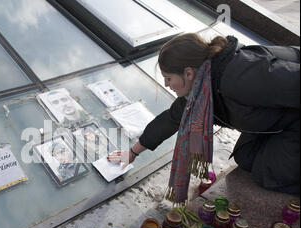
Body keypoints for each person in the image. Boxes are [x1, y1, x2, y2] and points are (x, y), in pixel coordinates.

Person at [108, 33, 299, 204]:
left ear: (188, 73)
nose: (166, 84)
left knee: (269, 172)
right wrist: (132, 153)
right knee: (245, 156)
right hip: (278, 117)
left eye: (168, 78)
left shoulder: (239, 77)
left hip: (294, 117)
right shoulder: (199, 90)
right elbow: (171, 119)